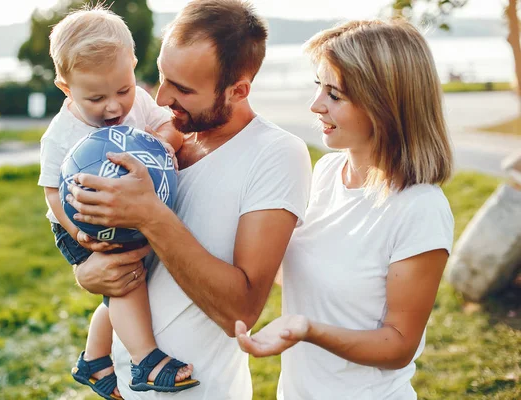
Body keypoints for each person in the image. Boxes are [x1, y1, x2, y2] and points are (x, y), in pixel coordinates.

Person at [64, 0, 312, 398]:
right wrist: (87, 272)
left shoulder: (275, 153)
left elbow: (241, 311)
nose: (161, 98)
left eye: (182, 89)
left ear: (238, 90)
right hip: (122, 384)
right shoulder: (155, 141)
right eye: (162, 78)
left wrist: (151, 215)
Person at [234, 18, 455, 399]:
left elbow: (398, 345)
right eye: (319, 87)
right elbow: (311, 274)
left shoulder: (420, 209)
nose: (316, 105)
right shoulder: (328, 171)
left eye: (335, 95)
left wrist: (308, 330)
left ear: (384, 104)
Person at [37, 6, 196, 399]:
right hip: (82, 222)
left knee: (120, 285)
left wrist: (162, 145)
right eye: (96, 97)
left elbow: (165, 125)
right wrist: (81, 233)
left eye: (122, 90)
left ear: (133, 67)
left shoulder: (137, 101)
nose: (113, 107)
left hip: (126, 209)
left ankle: (93, 359)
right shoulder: (61, 135)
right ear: (65, 86)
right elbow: (52, 191)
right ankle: (146, 360)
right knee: (125, 280)